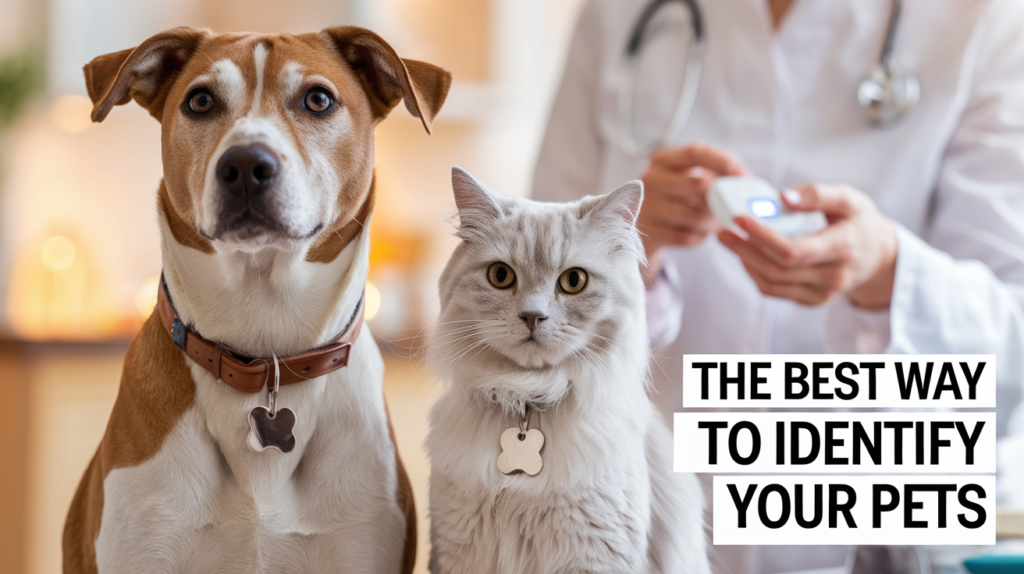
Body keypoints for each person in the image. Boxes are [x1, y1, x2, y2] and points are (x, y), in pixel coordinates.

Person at [532, 0, 1024, 572]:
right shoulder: (619, 15)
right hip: (649, 524)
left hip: (890, 527)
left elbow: (1013, 339)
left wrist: (887, 273)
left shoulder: (983, 22)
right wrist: (618, 253)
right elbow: (530, 316)